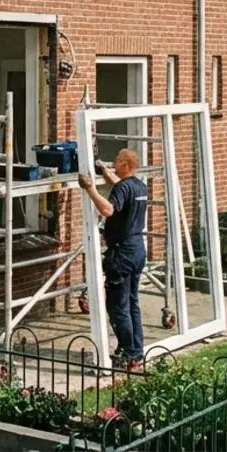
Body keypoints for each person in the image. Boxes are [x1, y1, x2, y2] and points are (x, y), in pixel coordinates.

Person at [78, 148, 148, 370]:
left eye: (117, 161)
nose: (114, 163)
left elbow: (108, 209)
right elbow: (120, 185)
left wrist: (90, 188)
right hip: (137, 250)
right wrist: (104, 170)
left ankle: (127, 352)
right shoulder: (139, 187)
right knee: (132, 302)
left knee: (118, 305)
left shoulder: (122, 188)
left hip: (122, 253)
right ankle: (136, 351)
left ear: (126, 164)